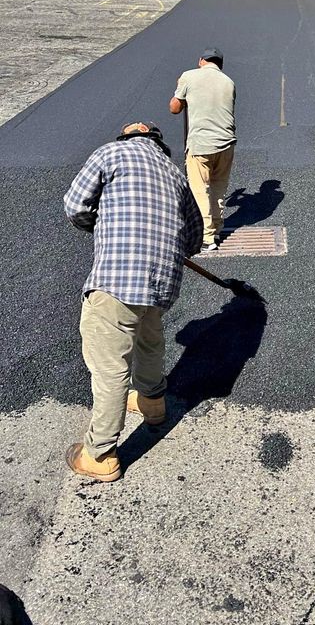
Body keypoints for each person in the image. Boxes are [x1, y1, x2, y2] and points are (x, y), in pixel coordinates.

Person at [63, 122, 203, 483]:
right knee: (149, 341)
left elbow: (75, 205)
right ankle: (153, 405)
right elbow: (194, 239)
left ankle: (101, 454)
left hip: (117, 278)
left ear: (126, 137)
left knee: (110, 367)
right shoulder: (175, 174)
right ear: (160, 145)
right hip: (159, 282)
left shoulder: (110, 153)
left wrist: (101, 225)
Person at [169, 48, 236, 252]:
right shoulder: (228, 81)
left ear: (201, 61)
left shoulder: (189, 76)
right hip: (226, 142)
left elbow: (174, 108)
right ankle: (216, 228)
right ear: (220, 64)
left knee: (200, 189)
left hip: (201, 144)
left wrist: (179, 88)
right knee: (218, 186)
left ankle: (206, 238)